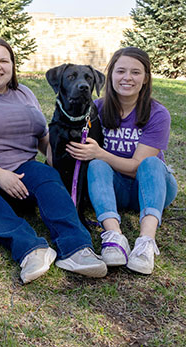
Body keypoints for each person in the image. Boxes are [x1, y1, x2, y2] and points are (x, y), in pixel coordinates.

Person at [0, 37, 108, 285]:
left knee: (47, 176)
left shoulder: (24, 93)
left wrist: (55, 152)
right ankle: (31, 250)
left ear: (12, 66)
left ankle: (76, 249)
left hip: (22, 172)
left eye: (3, 61)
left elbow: (42, 136)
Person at [66, 47, 177, 275]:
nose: (127, 78)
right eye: (121, 71)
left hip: (151, 187)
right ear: (111, 75)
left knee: (151, 163)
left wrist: (101, 153)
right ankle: (113, 237)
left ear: (146, 78)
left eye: (135, 72)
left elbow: (138, 166)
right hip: (114, 190)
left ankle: (145, 243)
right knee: (97, 165)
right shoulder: (96, 108)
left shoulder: (157, 113)